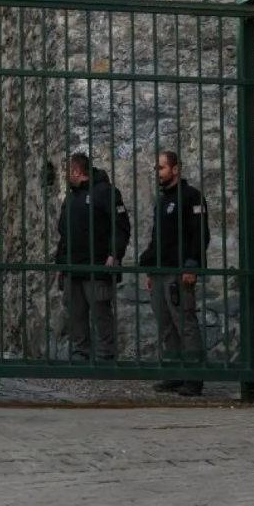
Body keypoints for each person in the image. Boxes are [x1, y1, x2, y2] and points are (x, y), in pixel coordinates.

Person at [140, 150, 210, 397]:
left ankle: (193, 377)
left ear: (175, 169)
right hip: (161, 270)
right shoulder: (163, 201)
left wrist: (191, 265)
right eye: (156, 168)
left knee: (185, 322)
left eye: (161, 168)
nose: (157, 172)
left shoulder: (191, 196)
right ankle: (173, 373)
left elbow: (200, 233)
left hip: (179, 271)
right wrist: (150, 269)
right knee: (166, 324)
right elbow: (157, 238)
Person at [54, 152, 131, 362]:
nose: (66, 176)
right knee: (76, 314)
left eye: (68, 171)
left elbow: (121, 226)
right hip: (72, 266)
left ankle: (106, 355)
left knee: (100, 312)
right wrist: (60, 262)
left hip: (97, 265)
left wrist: (114, 254)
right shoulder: (71, 198)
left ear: (77, 171)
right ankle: (81, 354)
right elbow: (64, 233)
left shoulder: (106, 192)